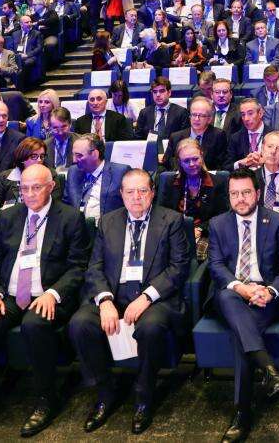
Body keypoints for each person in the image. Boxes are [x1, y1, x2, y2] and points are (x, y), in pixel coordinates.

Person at [0, 164, 91, 437]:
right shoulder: (8, 217)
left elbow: (78, 266)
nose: (30, 194)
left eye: (37, 187)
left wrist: (53, 293)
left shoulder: (70, 218)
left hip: (48, 293)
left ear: (51, 186)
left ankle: (46, 398)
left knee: (35, 324)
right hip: (9, 294)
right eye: (24, 188)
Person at [70, 168, 190, 434]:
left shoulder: (171, 220)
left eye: (142, 191)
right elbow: (95, 267)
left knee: (150, 327)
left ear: (152, 192)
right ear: (121, 194)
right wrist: (105, 301)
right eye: (130, 192)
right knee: (80, 323)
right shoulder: (108, 221)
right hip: (114, 293)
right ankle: (105, 391)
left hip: (155, 296)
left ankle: (144, 395)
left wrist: (147, 297)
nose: (137, 197)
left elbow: (178, 268)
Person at [206, 167, 279, 443]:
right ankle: (270, 372)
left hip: (266, 298)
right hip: (233, 294)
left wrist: (270, 291)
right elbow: (215, 266)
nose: (240, 199)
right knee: (226, 295)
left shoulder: (278, 221)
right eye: (234, 194)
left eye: (246, 192)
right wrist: (241, 288)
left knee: (242, 336)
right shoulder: (218, 224)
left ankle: (242, 413)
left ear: (258, 193)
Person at [158, 138, 229, 260]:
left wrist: (200, 229)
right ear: (179, 162)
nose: (191, 164)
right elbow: (163, 213)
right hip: (176, 231)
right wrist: (179, 229)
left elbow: (222, 216)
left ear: (202, 156)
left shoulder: (218, 182)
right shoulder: (170, 183)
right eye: (186, 161)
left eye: (195, 159)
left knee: (199, 254)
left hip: (206, 233)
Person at [0, 137, 60, 213]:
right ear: (22, 158)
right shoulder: (5, 177)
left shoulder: (50, 175)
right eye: (34, 156)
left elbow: (54, 208)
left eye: (42, 156)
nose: (39, 160)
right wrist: (7, 220)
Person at [164, 97, 229, 172]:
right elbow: (166, 164)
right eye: (194, 115)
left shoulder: (218, 136)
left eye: (201, 115)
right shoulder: (176, 137)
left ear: (209, 119)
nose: (196, 119)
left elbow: (221, 166)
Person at [135, 77, 190, 142]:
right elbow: (138, 138)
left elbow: (185, 139)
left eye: (162, 91)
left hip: (173, 150)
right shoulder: (144, 113)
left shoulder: (181, 112)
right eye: (155, 92)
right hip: (150, 149)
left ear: (169, 93)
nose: (158, 95)